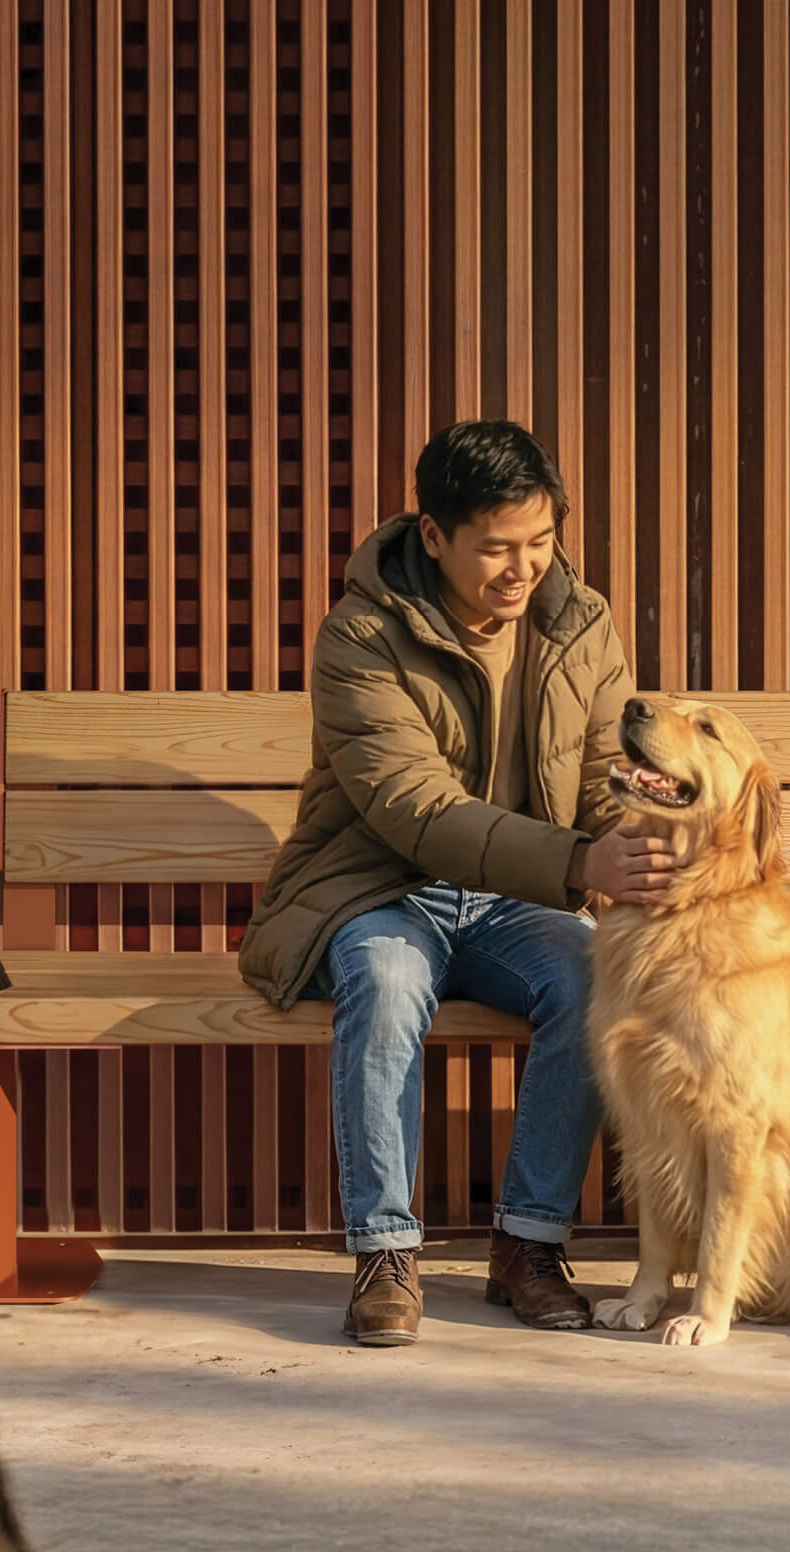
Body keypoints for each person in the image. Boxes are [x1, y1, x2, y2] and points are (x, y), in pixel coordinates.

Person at [238, 420, 686, 1346]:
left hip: (514, 902)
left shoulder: (580, 621)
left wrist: (638, 842)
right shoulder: (360, 634)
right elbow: (412, 806)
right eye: (496, 549)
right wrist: (574, 864)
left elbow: (606, 764)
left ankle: (528, 1244)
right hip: (378, 887)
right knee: (389, 982)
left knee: (596, 976)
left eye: (540, 541)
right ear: (434, 536)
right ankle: (386, 1251)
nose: (522, 569)